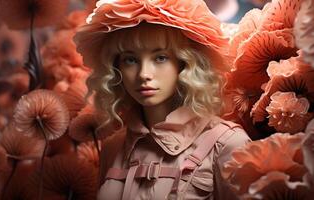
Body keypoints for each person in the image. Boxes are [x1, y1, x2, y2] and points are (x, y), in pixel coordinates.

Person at [74, 0, 250, 199]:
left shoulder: (226, 143)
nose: (144, 74)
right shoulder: (112, 148)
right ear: (116, 68)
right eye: (130, 59)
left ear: (185, 63)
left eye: (160, 58)